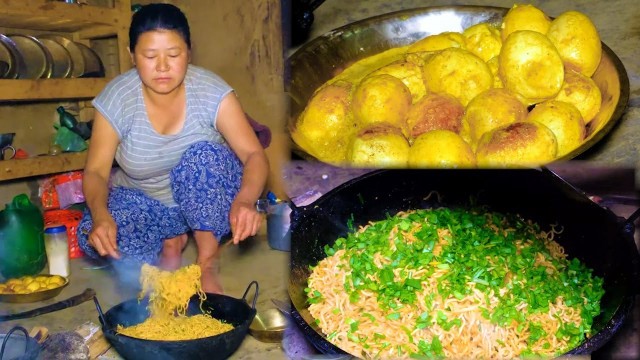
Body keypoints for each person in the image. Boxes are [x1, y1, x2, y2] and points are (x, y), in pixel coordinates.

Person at [77, 3, 269, 294]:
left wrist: (245, 200)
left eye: (174, 54)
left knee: (202, 157)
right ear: (132, 56)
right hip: (149, 207)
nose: (163, 66)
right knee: (89, 232)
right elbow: (95, 172)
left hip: (208, 205)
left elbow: (254, 155)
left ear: (189, 52)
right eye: (150, 56)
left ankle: (207, 260)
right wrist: (102, 218)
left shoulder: (212, 92)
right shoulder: (117, 99)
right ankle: (171, 241)